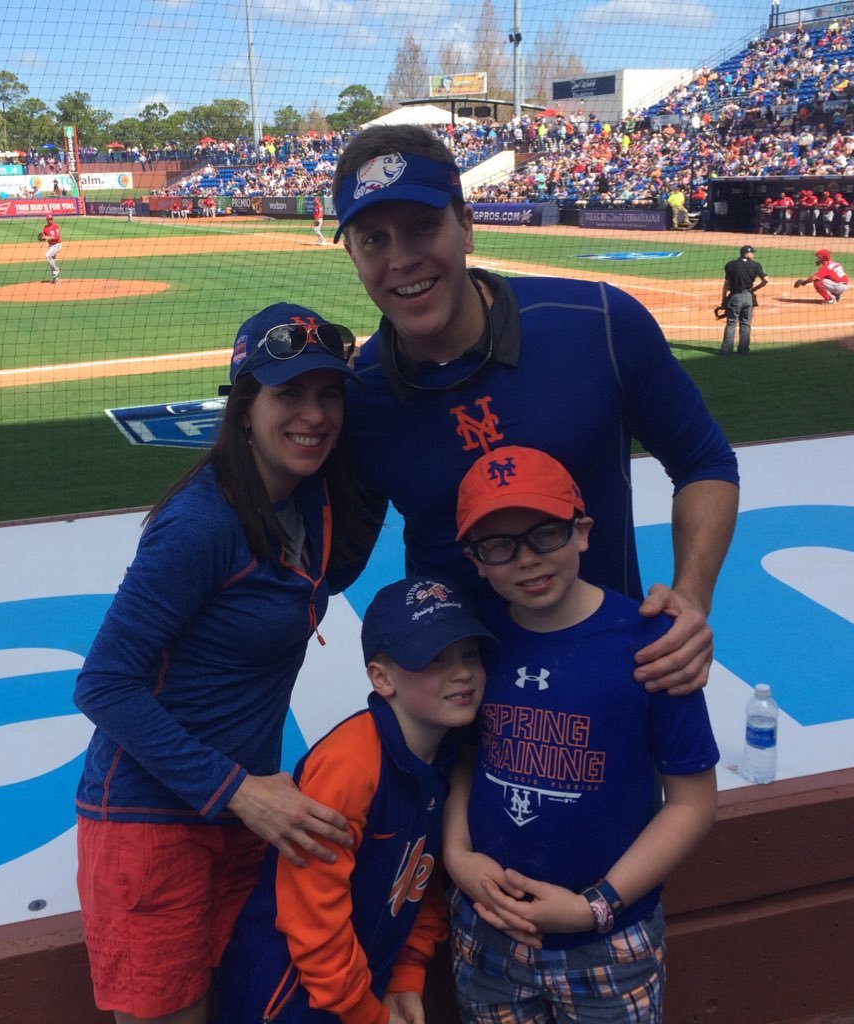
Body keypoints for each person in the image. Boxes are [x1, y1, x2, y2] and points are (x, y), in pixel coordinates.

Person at [332, 124, 739, 696]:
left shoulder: (597, 321)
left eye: (424, 226)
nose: (401, 259)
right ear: (352, 254)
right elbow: (326, 561)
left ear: (467, 226)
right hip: (455, 706)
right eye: (374, 239)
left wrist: (692, 596)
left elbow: (704, 461)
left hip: (615, 683)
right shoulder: (357, 396)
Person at [73, 303, 378, 1024]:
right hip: (154, 824)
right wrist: (241, 792)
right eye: (289, 394)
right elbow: (104, 683)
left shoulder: (312, 504)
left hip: (238, 820)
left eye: (328, 393)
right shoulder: (202, 522)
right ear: (243, 407)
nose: (314, 414)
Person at [444, 445, 719, 1023]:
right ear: (475, 560)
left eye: (545, 534)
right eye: (498, 545)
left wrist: (596, 906)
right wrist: (456, 854)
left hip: (608, 942)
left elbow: (691, 803)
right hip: (489, 931)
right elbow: (467, 757)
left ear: (583, 532)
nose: (525, 560)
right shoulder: (476, 643)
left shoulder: (652, 645)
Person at [218, 576, 493, 1024]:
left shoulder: (446, 758)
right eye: (434, 659)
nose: (461, 672)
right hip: (287, 1002)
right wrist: (366, 1014)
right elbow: (313, 923)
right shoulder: (350, 764)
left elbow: (420, 883)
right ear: (381, 678)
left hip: (356, 993)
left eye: (469, 653)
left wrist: (406, 972)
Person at [719, 244, 768, 356]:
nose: (753, 254)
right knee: (745, 324)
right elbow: (766, 280)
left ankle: (726, 351)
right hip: (749, 297)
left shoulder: (730, 265)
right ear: (748, 253)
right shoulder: (756, 265)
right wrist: (755, 288)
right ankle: (743, 350)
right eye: (752, 252)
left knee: (731, 323)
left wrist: (723, 300)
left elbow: (726, 284)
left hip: (735, 296)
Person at [40, 213, 62, 284]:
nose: (50, 220)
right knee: (51, 261)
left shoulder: (56, 226)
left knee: (48, 255)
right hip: (51, 246)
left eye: (51, 218)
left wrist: (47, 237)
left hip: (57, 245)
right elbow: (43, 236)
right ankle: (55, 279)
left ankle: (56, 270)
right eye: (49, 219)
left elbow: (57, 237)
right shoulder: (45, 228)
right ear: (47, 220)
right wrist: (42, 237)